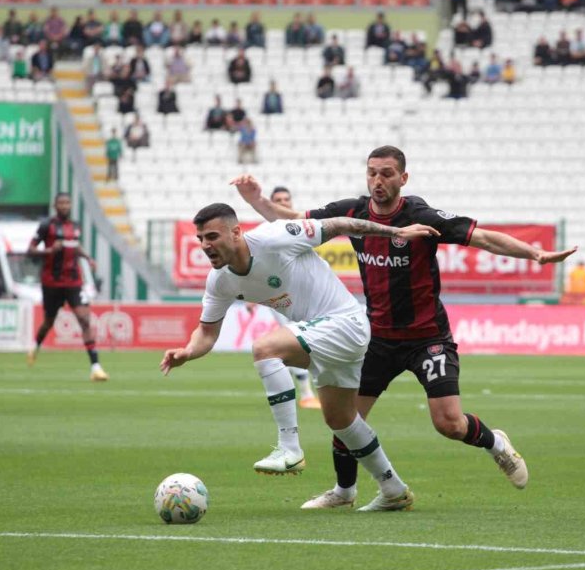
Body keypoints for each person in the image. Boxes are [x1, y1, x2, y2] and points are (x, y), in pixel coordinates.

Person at [233, 146, 577, 509]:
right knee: (345, 419)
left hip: (426, 337)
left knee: (449, 424)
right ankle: (344, 492)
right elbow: (291, 220)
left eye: (385, 173)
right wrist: (257, 200)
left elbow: (484, 238)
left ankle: (496, 444)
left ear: (403, 178)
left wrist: (535, 254)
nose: (377, 181)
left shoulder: (422, 216)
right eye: (372, 173)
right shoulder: (353, 212)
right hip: (377, 338)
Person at [160, 201, 439, 511]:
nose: (204, 245)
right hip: (322, 334)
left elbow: (341, 224)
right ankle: (393, 490)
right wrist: (188, 350)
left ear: (236, 232)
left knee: (265, 348)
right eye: (200, 239)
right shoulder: (220, 281)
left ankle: (289, 447)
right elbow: (207, 333)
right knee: (341, 419)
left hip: (345, 322)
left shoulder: (275, 237)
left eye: (212, 236)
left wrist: (396, 232)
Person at [26, 192, 108, 381]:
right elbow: (30, 250)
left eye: (67, 203)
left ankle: (96, 367)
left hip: (73, 282)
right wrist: (49, 250)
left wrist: (87, 257)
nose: (64, 206)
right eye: (61, 203)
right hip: (52, 283)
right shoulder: (47, 226)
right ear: (55, 206)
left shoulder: (75, 226)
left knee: (84, 319)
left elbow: (75, 246)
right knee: (48, 322)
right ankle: (35, 346)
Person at [266, 186, 320, 409]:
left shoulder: (300, 227)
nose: (283, 202)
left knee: (308, 340)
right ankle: (306, 393)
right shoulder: (266, 230)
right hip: (278, 293)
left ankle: (308, 389)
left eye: (286, 199)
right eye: (278, 199)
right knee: (295, 338)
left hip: (305, 293)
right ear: (270, 202)